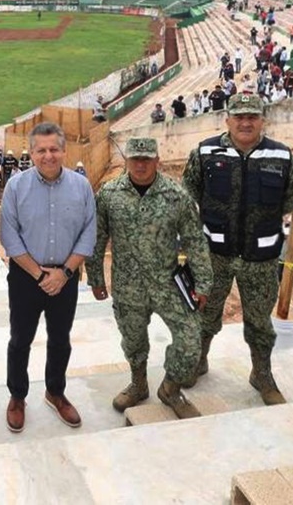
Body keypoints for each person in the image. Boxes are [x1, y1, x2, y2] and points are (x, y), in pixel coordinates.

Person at [182, 93, 293, 405]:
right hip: (215, 255)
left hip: (261, 258)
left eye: (252, 116)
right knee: (205, 312)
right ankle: (199, 360)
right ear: (228, 120)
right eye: (239, 116)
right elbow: (191, 191)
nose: (246, 122)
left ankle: (261, 373)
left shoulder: (283, 157)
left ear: (263, 120)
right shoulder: (205, 152)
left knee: (260, 321)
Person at [87, 138, 213, 418]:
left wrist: (203, 283)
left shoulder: (176, 195)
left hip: (169, 284)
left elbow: (195, 240)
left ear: (157, 160)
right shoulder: (109, 195)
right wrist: (95, 277)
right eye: (135, 159)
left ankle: (170, 388)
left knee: (191, 339)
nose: (141, 165)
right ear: (127, 161)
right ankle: (138, 383)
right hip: (127, 285)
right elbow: (97, 239)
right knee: (132, 341)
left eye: (147, 159)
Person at [0, 122, 96, 432]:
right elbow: (10, 238)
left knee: (60, 339)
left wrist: (65, 272)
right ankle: (17, 395)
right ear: (31, 152)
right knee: (20, 340)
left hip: (66, 276)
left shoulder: (81, 187)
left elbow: (88, 234)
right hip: (27, 276)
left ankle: (55, 392)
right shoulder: (15, 186)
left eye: (54, 149)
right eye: (41, 150)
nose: (48, 155)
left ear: (64, 151)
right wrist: (41, 275)